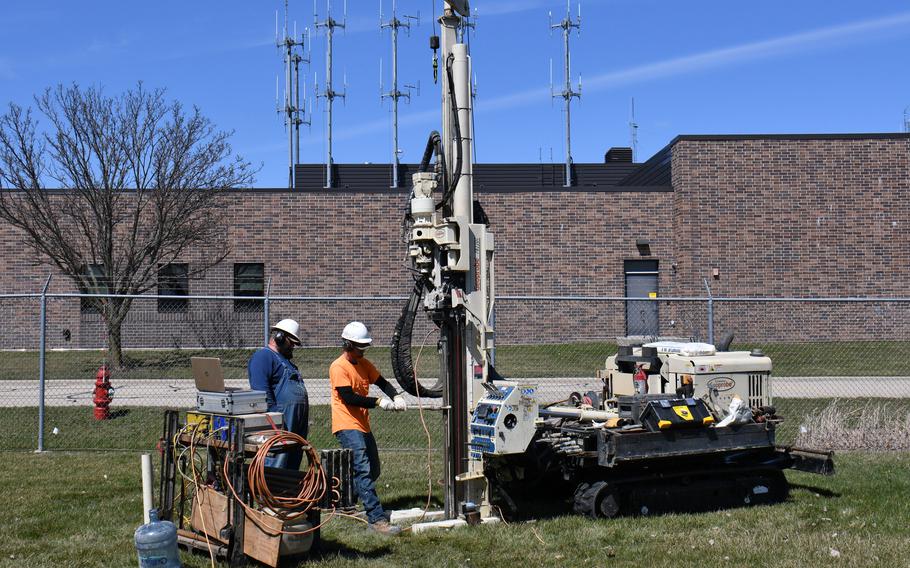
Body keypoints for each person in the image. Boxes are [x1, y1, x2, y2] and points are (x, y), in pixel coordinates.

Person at [329, 321, 407, 536]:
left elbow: (381, 382)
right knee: (362, 469)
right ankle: (377, 519)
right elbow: (348, 397)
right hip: (346, 424)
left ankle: (346, 504)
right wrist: (379, 402)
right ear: (347, 344)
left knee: (373, 469)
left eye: (364, 347)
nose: (362, 351)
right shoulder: (338, 367)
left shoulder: (364, 364)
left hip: (362, 424)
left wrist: (396, 395)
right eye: (358, 347)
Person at [248, 319, 308, 470]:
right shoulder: (264, 356)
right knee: (276, 467)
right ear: (280, 337)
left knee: (291, 468)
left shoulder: (288, 363)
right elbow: (261, 393)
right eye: (291, 342)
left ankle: (288, 492)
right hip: (279, 426)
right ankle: (270, 493)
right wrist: (276, 420)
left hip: (295, 427)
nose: (293, 346)